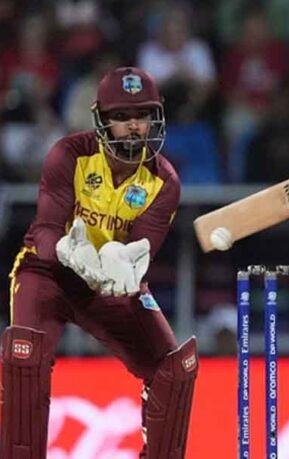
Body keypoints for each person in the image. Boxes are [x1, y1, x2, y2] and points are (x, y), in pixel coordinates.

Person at [1, 67, 198, 459]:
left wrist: (127, 261)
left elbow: (143, 249)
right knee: (27, 356)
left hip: (109, 283)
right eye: (121, 116)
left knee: (173, 368)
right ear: (101, 119)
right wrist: (68, 250)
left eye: (142, 115)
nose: (133, 126)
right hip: (48, 273)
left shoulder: (164, 182)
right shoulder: (70, 154)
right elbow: (45, 231)